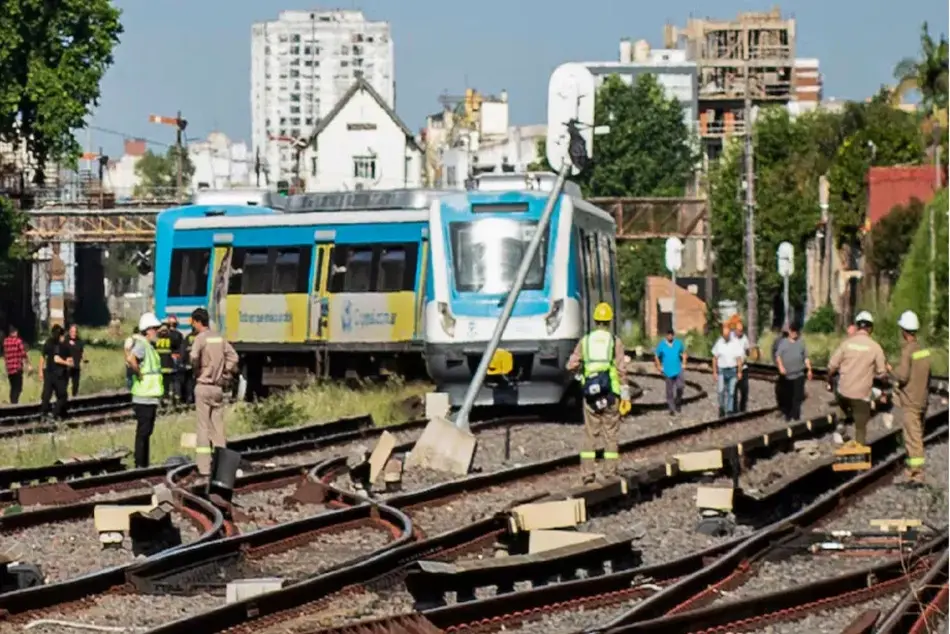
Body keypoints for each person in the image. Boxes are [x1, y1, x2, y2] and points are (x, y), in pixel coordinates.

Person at [566, 302, 630, 484]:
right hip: (611, 394)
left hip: (591, 395)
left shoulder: (585, 341)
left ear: (595, 320)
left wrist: (580, 374)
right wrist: (625, 394)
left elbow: (571, 365)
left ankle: (587, 473)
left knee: (590, 434)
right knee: (610, 434)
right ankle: (609, 472)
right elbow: (621, 369)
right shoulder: (614, 341)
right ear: (609, 321)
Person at [189, 307, 239, 476]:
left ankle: (204, 467)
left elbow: (194, 357)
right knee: (218, 427)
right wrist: (225, 371)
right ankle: (221, 466)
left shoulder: (200, 339)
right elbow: (233, 357)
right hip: (218, 388)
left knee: (203, 427)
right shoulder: (219, 338)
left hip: (203, 386)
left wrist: (198, 370)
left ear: (197, 321)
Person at [827, 310, 887, 446]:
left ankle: (840, 428)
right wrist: (882, 387)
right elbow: (882, 374)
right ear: (870, 328)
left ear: (857, 326)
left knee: (841, 399)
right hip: (861, 396)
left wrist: (829, 380)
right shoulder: (875, 348)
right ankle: (859, 451)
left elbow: (831, 367)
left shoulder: (846, 344)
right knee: (860, 427)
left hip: (844, 392)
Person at [890, 310, 931, 484]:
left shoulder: (908, 351)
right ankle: (911, 472)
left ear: (904, 331)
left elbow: (903, 376)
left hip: (910, 402)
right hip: (922, 400)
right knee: (918, 435)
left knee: (913, 439)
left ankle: (917, 474)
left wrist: (891, 370)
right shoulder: (924, 351)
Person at [126, 313, 164, 468]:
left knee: (146, 432)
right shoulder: (142, 345)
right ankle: (140, 464)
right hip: (144, 396)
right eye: (155, 329)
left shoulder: (149, 346)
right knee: (143, 432)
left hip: (149, 396)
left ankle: (144, 464)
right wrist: (138, 372)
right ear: (147, 330)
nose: (157, 331)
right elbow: (131, 359)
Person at [774, 323, 813, 421]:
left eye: (797, 332)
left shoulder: (801, 343)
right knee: (788, 396)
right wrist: (781, 367)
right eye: (793, 331)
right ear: (790, 332)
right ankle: (788, 415)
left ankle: (796, 417)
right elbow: (778, 357)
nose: (795, 334)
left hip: (799, 374)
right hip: (787, 375)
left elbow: (806, 358)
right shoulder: (783, 343)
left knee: (797, 397)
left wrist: (809, 370)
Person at [39, 324, 72, 420]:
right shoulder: (63, 345)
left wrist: (40, 371)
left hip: (49, 373)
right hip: (58, 374)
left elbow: (42, 357)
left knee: (46, 395)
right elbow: (58, 359)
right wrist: (66, 363)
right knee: (62, 396)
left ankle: (43, 414)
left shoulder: (48, 342)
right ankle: (54, 414)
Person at [711, 322, 744, 417]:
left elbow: (739, 359)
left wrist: (739, 371)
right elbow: (714, 358)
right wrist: (714, 372)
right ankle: (721, 407)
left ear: (730, 333)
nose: (726, 336)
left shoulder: (735, 343)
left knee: (731, 392)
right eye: (724, 335)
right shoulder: (719, 342)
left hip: (732, 370)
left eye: (727, 334)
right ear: (722, 334)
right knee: (720, 390)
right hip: (722, 370)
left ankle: (729, 411)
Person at [654, 329, 687, 415]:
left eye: (671, 334)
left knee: (680, 386)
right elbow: (656, 355)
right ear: (666, 335)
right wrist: (658, 366)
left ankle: (678, 401)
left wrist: (684, 363)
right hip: (668, 371)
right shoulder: (662, 345)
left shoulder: (678, 343)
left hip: (678, 369)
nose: (670, 336)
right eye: (668, 334)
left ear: (673, 335)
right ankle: (671, 408)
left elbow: (684, 353)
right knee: (669, 391)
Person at [155, 317, 184, 408]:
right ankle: (171, 400)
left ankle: (162, 400)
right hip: (169, 366)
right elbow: (178, 349)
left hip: (159, 366)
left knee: (162, 384)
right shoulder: (172, 337)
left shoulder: (156, 339)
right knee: (171, 384)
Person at [3, 326, 32, 404]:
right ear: (15, 332)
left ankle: (12, 403)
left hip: (9, 369)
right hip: (17, 368)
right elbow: (23, 354)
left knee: (13, 387)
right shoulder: (18, 341)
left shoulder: (5, 342)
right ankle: (14, 403)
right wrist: (29, 364)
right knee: (18, 388)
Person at [732, 319, 751, 412]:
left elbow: (748, 351)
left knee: (744, 390)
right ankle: (735, 411)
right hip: (733, 367)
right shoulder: (730, 338)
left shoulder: (745, 338)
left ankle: (743, 409)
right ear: (735, 330)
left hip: (743, 367)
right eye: (739, 330)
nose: (741, 332)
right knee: (733, 391)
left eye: (742, 330)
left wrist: (749, 352)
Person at [181, 324, 198, 405]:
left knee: (189, 382)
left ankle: (189, 398)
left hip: (189, 363)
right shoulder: (201, 336)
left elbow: (183, 350)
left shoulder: (188, 337)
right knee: (194, 382)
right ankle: (193, 398)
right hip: (197, 364)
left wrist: (183, 362)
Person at [66, 324, 85, 397]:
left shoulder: (79, 341)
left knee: (76, 383)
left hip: (76, 365)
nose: (74, 333)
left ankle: (74, 396)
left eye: (75, 332)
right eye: (72, 331)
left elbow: (81, 351)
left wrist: (84, 359)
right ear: (69, 332)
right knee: (65, 382)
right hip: (67, 365)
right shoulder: (66, 340)